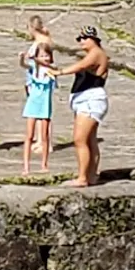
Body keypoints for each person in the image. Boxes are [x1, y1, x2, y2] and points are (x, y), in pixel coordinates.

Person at [55, 26, 110, 187]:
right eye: (79, 39)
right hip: (85, 99)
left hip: (91, 100)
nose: (80, 42)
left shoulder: (96, 54)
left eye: (84, 38)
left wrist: (60, 72)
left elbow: (81, 66)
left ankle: (82, 178)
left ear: (93, 39)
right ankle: (91, 175)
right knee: (90, 139)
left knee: (79, 139)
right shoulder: (92, 54)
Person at [19, 15, 55, 152]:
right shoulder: (45, 39)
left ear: (31, 27)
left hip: (40, 78)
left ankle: (45, 142)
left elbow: (41, 60)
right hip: (36, 76)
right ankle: (41, 140)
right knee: (40, 110)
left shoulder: (40, 42)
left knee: (42, 111)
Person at [21, 43, 57, 174]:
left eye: (47, 55)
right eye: (42, 55)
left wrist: (38, 59)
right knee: (29, 136)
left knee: (45, 136)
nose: (45, 58)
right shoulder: (34, 68)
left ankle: (44, 164)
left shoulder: (51, 69)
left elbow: (53, 69)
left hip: (45, 104)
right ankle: (26, 166)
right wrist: (23, 58)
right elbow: (24, 65)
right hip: (33, 103)